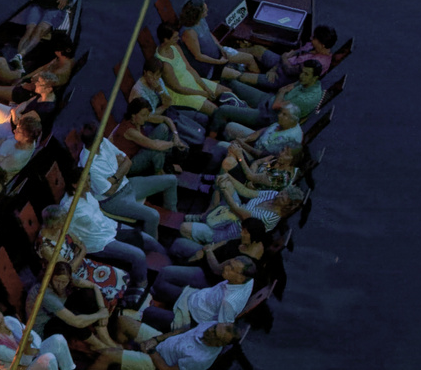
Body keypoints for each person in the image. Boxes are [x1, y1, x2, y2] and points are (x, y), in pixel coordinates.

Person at [79, 121, 179, 243]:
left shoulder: (104, 143)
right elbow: (109, 191)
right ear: (96, 139)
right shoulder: (88, 164)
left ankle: (172, 220)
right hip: (113, 200)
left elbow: (128, 161)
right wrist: (120, 170)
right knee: (153, 216)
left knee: (171, 180)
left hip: (128, 184)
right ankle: (153, 246)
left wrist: (114, 178)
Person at [48, 190, 165, 288]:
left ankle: (167, 263)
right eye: (86, 181)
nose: (89, 184)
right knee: (138, 255)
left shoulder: (87, 194)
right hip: (98, 242)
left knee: (149, 240)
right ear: (74, 186)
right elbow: (67, 231)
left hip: (110, 227)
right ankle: (142, 286)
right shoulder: (68, 208)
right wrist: (80, 245)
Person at [171, 184, 306, 259]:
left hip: (230, 231)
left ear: (286, 206)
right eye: (282, 193)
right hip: (233, 212)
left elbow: (238, 211)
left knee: (184, 228)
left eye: (282, 198)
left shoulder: (270, 218)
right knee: (224, 183)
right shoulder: (273, 194)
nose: (278, 196)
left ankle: (205, 245)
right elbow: (247, 192)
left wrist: (226, 192)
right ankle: (204, 217)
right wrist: (229, 180)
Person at [84, 320, 237, 370]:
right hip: (160, 345)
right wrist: (157, 339)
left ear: (219, 344)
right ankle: (124, 352)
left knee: (107, 355)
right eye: (213, 327)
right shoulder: (211, 326)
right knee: (123, 321)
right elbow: (183, 331)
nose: (209, 330)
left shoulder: (199, 359)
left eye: (214, 333)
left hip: (158, 365)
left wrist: (150, 351)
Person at [142, 255, 256, 332]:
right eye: (229, 264)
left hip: (191, 317)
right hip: (194, 296)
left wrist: (190, 329)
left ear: (241, 277)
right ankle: (154, 300)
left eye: (231, 268)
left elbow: (221, 327)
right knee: (161, 285)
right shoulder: (249, 279)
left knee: (147, 312)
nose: (225, 267)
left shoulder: (229, 302)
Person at [27, 261, 118, 349]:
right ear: (51, 277)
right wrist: (101, 314)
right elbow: (75, 321)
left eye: (64, 282)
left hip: (60, 311)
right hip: (45, 328)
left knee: (87, 293)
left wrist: (102, 309)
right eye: (57, 281)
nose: (60, 285)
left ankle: (104, 337)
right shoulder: (46, 294)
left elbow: (94, 286)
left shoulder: (68, 277)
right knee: (72, 318)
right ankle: (99, 345)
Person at [224, 25, 338, 92]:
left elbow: (289, 70)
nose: (311, 38)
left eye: (314, 38)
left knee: (243, 77)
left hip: (283, 78)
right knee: (257, 49)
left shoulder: (318, 63)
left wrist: (283, 59)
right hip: (281, 64)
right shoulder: (312, 46)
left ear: (322, 44)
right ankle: (226, 53)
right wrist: (276, 66)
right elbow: (293, 53)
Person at [178, 0, 262, 76]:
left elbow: (209, 34)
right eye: (204, 10)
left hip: (218, 54)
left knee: (249, 58)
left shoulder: (201, 19)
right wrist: (219, 62)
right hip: (208, 66)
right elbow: (198, 56)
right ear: (196, 14)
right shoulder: (189, 33)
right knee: (236, 75)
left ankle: (259, 78)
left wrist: (220, 48)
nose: (207, 10)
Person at [218, 103, 303, 163]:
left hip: (256, 158)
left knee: (222, 145)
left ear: (292, 120)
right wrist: (246, 139)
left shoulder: (289, 138)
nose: (279, 115)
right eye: (281, 112)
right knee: (231, 126)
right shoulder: (286, 123)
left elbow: (260, 155)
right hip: (258, 142)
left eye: (284, 114)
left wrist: (242, 144)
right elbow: (265, 130)